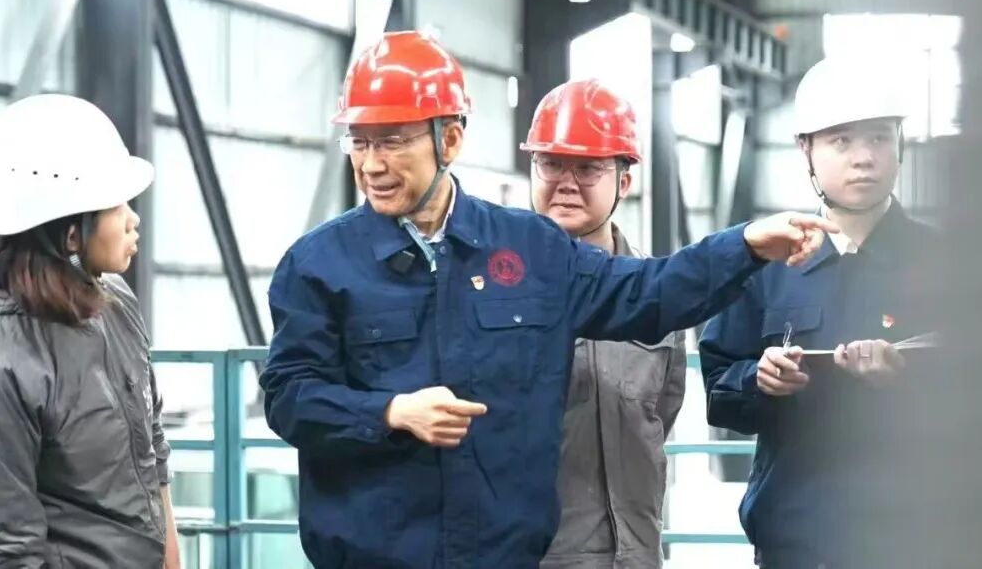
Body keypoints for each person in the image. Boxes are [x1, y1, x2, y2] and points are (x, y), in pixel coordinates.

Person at [260, 31, 837, 569]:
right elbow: (289, 395)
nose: (371, 164)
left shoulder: (530, 249)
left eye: (392, 141)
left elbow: (646, 291)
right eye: (359, 142)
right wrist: (389, 412)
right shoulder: (317, 265)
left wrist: (745, 245)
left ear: (449, 139)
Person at [699, 58, 939, 568]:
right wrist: (759, 380)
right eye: (841, 141)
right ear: (805, 149)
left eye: (879, 138)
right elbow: (719, 393)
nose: (863, 158)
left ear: (900, 145)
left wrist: (909, 380)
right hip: (797, 543)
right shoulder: (765, 266)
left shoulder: (946, 265)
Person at [0, 94, 180, 568]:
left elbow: (152, 450)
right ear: (72, 236)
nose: (134, 219)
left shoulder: (114, 304)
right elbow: (6, 552)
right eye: (116, 206)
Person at [522, 79, 685, 569]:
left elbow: (662, 411)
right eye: (551, 163)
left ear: (624, 181)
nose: (567, 182)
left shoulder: (656, 293)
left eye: (589, 167)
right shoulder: (497, 292)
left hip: (634, 553)